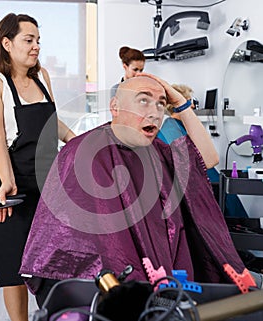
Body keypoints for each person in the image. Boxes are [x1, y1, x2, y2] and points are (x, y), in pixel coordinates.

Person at [19, 73, 263, 307]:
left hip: (155, 274)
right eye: (144, 100)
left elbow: (207, 158)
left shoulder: (155, 149)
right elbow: (109, 246)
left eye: (161, 104)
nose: (155, 112)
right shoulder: (84, 154)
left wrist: (180, 104)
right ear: (115, 107)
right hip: (84, 285)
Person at [0, 13, 75, 321]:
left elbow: (50, 122)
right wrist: (7, 182)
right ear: (7, 43)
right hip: (13, 185)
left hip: (49, 185)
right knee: (13, 267)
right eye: (28, 40)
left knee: (56, 264)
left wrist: (75, 140)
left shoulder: (42, 76)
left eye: (38, 41)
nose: (35, 47)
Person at [157, 84, 248, 218]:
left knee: (229, 195)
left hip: (207, 180)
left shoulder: (181, 126)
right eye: (189, 102)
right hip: (198, 185)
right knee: (228, 199)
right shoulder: (171, 128)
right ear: (177, 104)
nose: (193, 106)